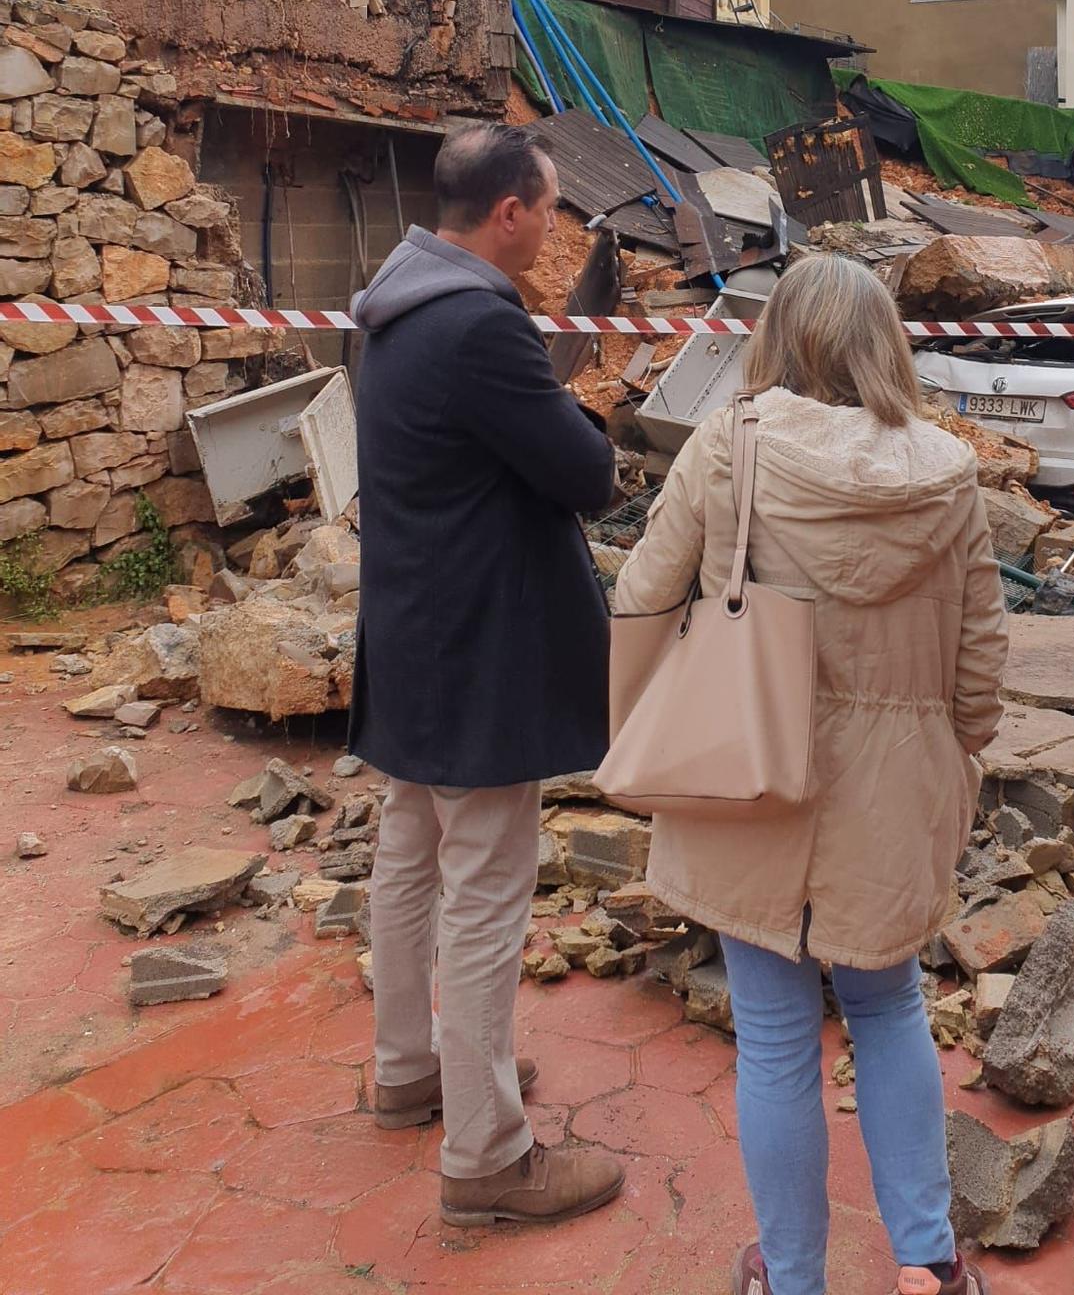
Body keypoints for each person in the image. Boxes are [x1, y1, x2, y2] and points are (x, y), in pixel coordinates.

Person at [612, 252, 1008, 1295]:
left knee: (777, 1038)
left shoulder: (729, 444)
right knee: (890, 1010)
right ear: (888, 343)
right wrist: (951, 752)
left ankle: (792, 1277)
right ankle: (928, 1262)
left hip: (743, 770)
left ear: (778, 336)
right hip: (895, 781)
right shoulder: (951, 470)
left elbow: (645, 595)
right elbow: (981, 660)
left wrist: (642, 725)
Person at [349, 122, 625, 1228]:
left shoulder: (394, 304)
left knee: (410, 852)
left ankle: (409, 1068)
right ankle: (488, 1153)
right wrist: (591, 424)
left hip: (413, 625)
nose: (554, 230)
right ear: (507, 210)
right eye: (549, 209)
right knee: (485, 886)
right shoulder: (478, 323)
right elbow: (584, 472)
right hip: (480, 642)